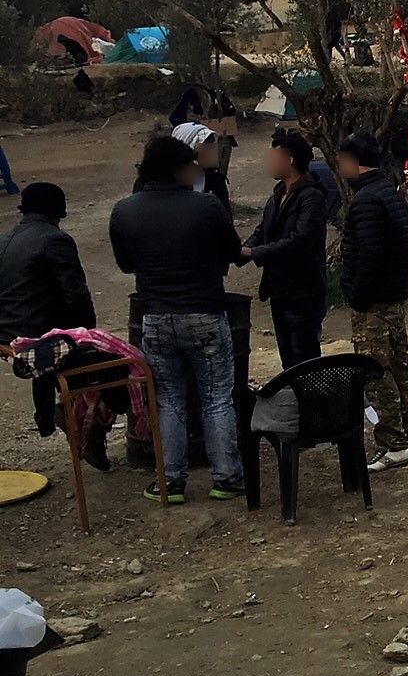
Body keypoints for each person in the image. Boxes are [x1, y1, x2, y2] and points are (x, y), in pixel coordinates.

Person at [110, 136, 244, 504]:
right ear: (177, 169)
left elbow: (126, 265)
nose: (195, 171)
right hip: (205, 314)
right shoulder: (207, 206)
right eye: (190, 166)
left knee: (168, 401)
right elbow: (232, 252)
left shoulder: (124, 210)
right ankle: (227, 478)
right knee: (217, 398)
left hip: (154, 318)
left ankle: (170, 481)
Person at [337, 132, 408, 471]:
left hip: (374, 302)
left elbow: (369, 255)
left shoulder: (366, 200)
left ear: (353, 162)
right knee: (400, 366)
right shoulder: (387, 192)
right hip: (392, 297)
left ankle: (393, 443)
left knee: (376, 371)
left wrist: (357, 295)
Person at [0, 183, 103, 462]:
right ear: (59, 210)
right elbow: (76, 293)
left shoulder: (7, 238)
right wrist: (88, 334)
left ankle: (53, 413)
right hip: (36, 334)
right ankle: (87, 425)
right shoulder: (54, 239)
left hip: (9, 331)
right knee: (108, 362)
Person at [240, 128, 327, 368]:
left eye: (274, 157)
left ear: (290, 160)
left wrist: (253, 253)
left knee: (304, 357)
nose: (269, 162)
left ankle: (310, 403)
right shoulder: (278, 194)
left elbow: (300, 241)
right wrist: (241, 251)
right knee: (288, 358)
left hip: (304, 291)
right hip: (279, 289)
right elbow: (263, 230)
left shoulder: (311, 197)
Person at [170, 123, 231, 211]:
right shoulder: (168, 180)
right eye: (202, 146)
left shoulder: (215, 178)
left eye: (210, 145)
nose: (209, 152)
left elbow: (224, 213)